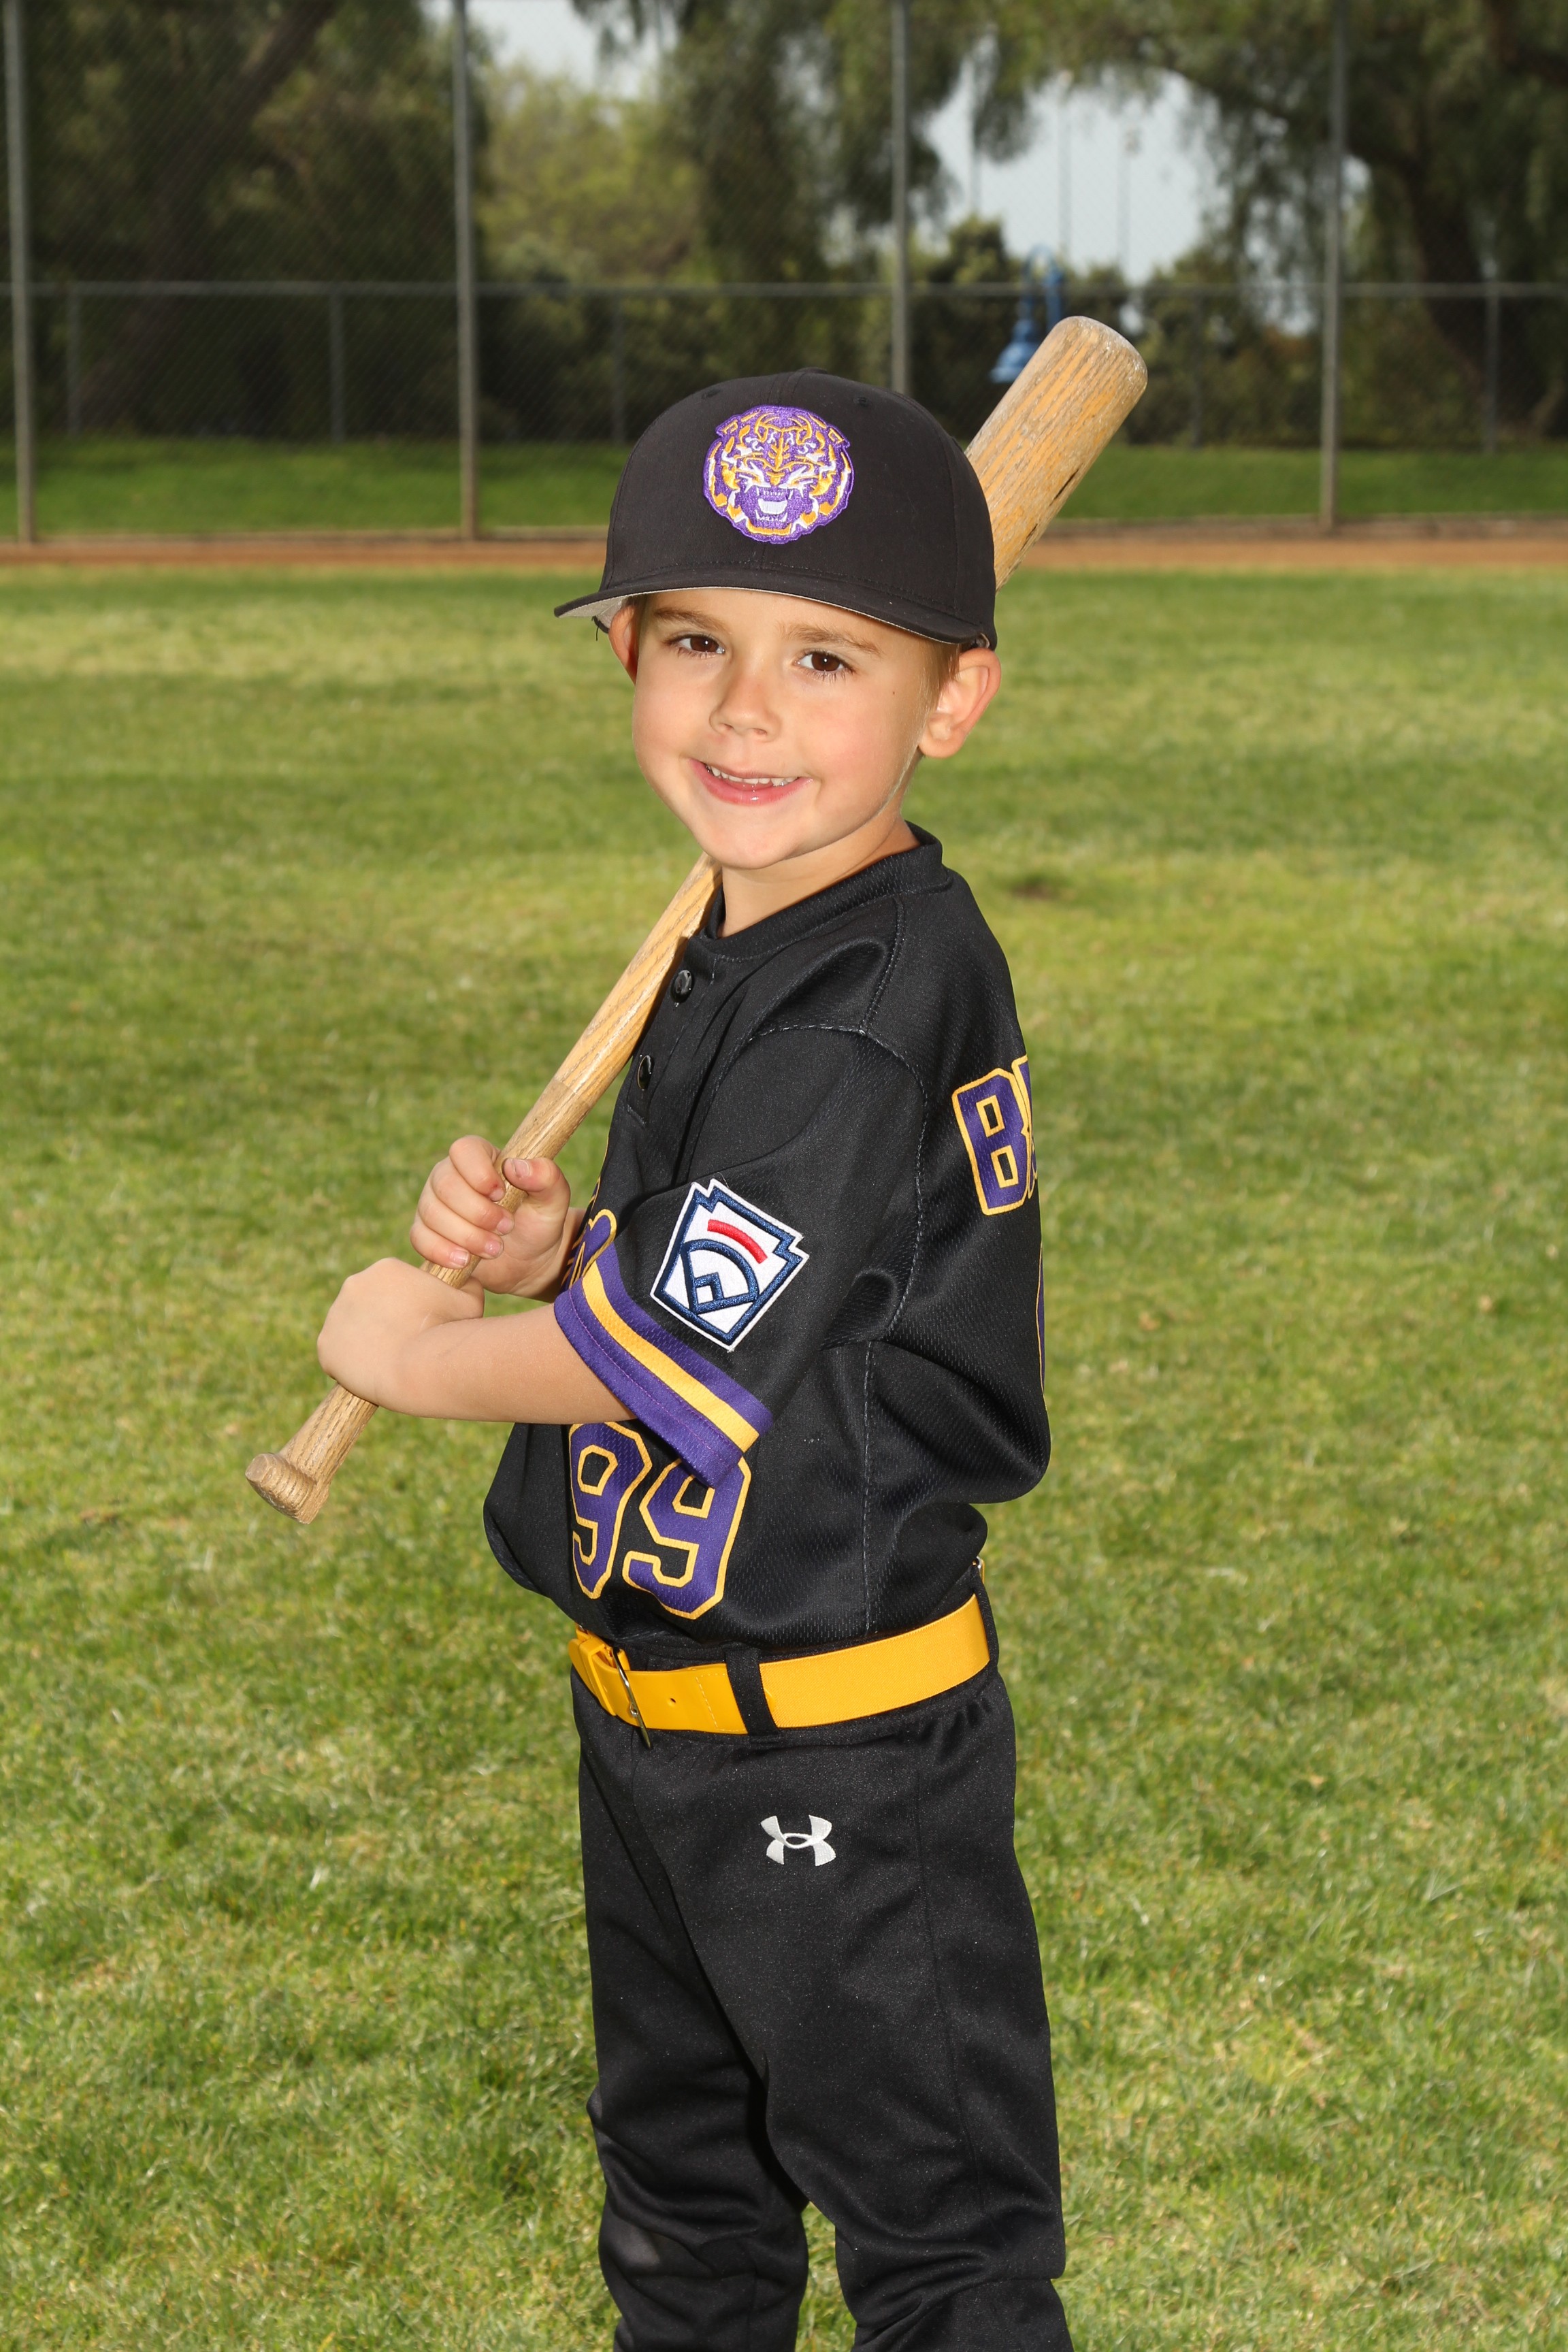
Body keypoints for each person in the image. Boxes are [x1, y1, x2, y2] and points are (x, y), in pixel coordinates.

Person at [317, 372, 1071, 2352]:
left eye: (828, 658)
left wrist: (425, 1350)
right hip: (663, 1715)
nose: (746, 711)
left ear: (954, 701)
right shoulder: (761, 943)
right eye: (693, 644)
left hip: (833, 1741)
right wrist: (562, 1257)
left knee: (937, 2248)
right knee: (684, 2209)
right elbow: (759, 1286)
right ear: (627, 662)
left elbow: (671, 1365)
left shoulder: (867, 996)